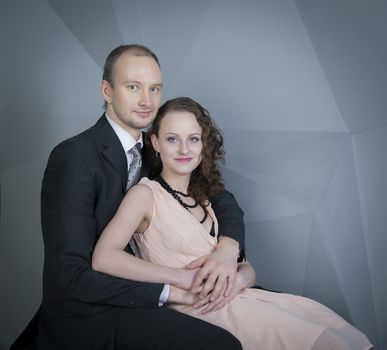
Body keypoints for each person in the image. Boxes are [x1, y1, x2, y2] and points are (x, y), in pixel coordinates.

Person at [10, 45, 245, 350]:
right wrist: (172, 289)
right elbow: (71, 276)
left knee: (264, 309)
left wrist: (227, 251)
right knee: (221, 345)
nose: (146, 101)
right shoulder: (74, 158)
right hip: (91, 313)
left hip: (149, 298)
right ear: (106, 90)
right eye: (133, 87)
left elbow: (221, 199)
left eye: (154, 89)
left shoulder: (155, 150)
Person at [92, 97, 373, 350]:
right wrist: (182, 278)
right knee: (325, 341)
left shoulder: (204, 199)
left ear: (204, 145)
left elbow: (246, 267)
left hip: (239, 296)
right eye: (172, 139)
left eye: (193, 139)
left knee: (335, 327)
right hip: (199, 309)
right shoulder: (145, 194)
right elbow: (104, 257)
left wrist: (235, 280)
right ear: (155, 142)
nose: (184, 149)